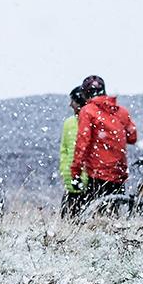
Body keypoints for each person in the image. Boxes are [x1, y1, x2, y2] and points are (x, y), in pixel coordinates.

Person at [69, 74, 137, 209]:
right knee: (113, 212)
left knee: (95, 214)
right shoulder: (121, 111)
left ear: (85, 93)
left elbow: (83, 142)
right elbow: (132, 137)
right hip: (119, 171)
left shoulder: (87, 111)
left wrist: (76, 172)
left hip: (97, 171)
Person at [58, 83, 89, 216]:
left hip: (87, 180)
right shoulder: (68, 123)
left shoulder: (91, 121)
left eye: (73, 101)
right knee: (68, 217)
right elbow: (64, 150)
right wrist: (65, 170)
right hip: (71, 179)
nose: (70, 105)